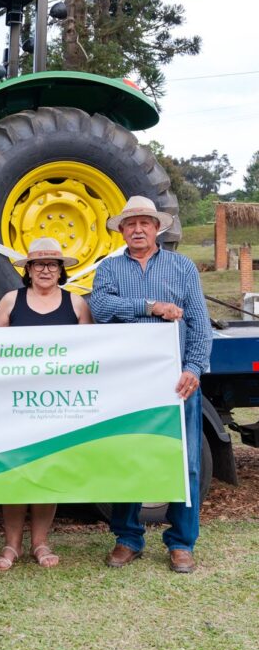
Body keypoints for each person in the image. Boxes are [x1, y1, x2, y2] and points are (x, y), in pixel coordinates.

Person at [90, 195, 213, 574]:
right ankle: (128, 538)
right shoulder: (108, 270)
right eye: (130, 223)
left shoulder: (182, 268)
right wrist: (150, 306)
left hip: (177, 382)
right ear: (122, 230)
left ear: (157, 227)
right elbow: (99, 308)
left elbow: (199, 323)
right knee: (128, 455)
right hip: (129, 383)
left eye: (145, 222)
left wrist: (193, 367)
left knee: (186, 461)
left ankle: (181, 543)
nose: (138, 228)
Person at [0, 237, 92, 570]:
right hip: (15, 402)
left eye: (52, 265)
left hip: (56, 405)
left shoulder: (76, 305)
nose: (45, 270)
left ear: (61, 270)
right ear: (28, 270)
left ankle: (41, 543)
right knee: (15, 471)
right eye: (38, 264)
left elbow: (89, 355)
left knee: (48, 471)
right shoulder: (10, 301)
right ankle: (11, 546)